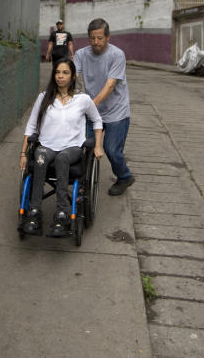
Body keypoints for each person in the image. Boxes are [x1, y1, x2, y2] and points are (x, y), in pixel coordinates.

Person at [20, 58, 103, 237]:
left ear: (73, 76)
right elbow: (31, 126)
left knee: (62, 158)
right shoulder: (44, 97)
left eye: (65, 73)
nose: (60, 76)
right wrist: (23, 153)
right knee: (40, 156)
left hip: (72, 148)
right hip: (47, 146)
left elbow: (97, 120)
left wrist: (97, 145)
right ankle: (34, 212)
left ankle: (62, 213)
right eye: (58, 72)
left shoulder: (83, 99)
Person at [73, 18, 135, 196]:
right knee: (84, 146)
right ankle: (83, 182)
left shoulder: (117, 55)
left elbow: (110, 85)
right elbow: (73, 76)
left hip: (117, 111)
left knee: (111, 149)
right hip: (93, 112)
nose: (96, 42)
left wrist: (91, 104)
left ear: (108, 37)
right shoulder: (81, 54)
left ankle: (124, 177)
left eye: (100, 38)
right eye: (92, 38)